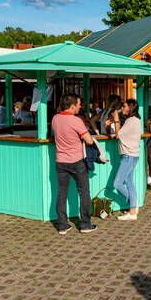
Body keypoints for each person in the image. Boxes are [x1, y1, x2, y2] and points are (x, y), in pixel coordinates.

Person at [51, 93, 98, 235]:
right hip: (77, 161)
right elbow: (89, 141)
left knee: (61, 193)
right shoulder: (76, 121)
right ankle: (85, 224)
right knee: (84, 192)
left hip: (61, 161)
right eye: (78, 104)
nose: (80, 106)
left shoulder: (55, 118)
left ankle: (62, 226)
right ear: (72, 106)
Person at [112, 99, 142, 221]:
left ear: (130, 108)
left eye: (124, 106)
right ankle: (132, 210)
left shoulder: (132, 120)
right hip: (131, 155)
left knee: (117, 184)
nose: (122, 108)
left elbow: (118, 134)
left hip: (129, 155)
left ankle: (133, 206)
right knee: (129, 182)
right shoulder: (133, 120)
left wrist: (116, 119)